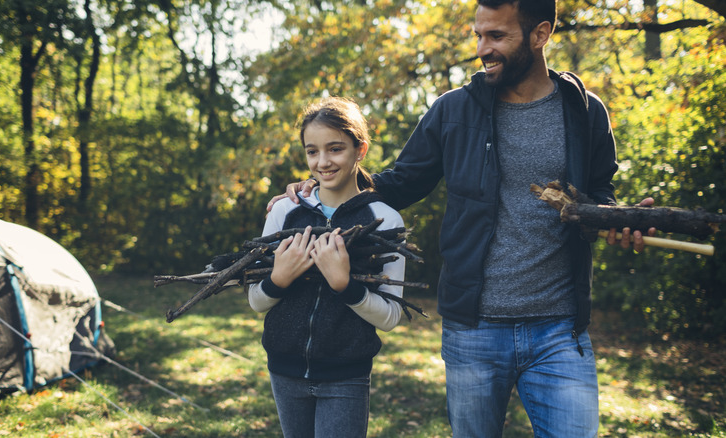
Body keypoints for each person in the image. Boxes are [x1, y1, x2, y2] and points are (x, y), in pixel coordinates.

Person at [267, 1, 656, 436]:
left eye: (497, 36)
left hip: (560, 328)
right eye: (478, 35)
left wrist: (616, 219)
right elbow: (398, 183)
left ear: (540, 34)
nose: (482, 48)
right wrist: (319, 183)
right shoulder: (454, 110)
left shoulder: (585, 111)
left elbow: (599, 194)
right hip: (473, 329)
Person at [248, 96, 407, 438]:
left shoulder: (384, 220)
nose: (322, 162)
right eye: (312, 151)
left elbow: (392, 317)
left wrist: (345, 285)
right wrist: (278, 278)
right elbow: (255, 301)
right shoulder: (284, 212)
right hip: (284, 369)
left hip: (346, 375)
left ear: (360, 149)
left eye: (335, 149)